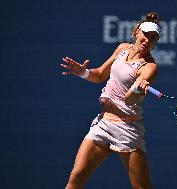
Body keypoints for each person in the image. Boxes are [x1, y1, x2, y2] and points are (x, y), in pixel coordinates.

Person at [61, 12, 161, 189]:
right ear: (137, 32)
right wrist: (82, 72)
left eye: (153, 38)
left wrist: (138, 88)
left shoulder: (149, 67)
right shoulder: (122, 48)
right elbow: (99, 75)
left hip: (127, 129)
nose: (148, 40)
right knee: (76, 177)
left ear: (155, 43)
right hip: (103, 124)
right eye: (146, 34)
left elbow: (129, 100)